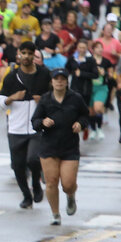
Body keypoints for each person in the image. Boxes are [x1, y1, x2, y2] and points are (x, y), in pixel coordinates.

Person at [0, 39, 51, 210]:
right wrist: (12, 98)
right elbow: (0, 99)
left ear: (34, 55)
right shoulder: (12, 76)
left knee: (33, 159)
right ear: (18, 55)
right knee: (18, 165)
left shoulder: (43, 74)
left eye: (30, 53)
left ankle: (36, 182)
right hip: (16, 127)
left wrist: (42, 100)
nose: (27, 56)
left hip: (36, 126)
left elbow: (53, 97)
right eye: (24, 53)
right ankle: (26, 196)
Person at [32, 67, 88, 226]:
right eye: (56, 79)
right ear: (52, 81)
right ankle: (55, 214)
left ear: (67, 81)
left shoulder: (75, 98)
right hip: (49, 147)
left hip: (69, 147)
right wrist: (43, 123)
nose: (59, 81)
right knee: (50, 182)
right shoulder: (45, 99)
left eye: (63, 79)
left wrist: (80, 124)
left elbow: (85, 115)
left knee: (68, 184)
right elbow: (35, 121)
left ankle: (70, 196)